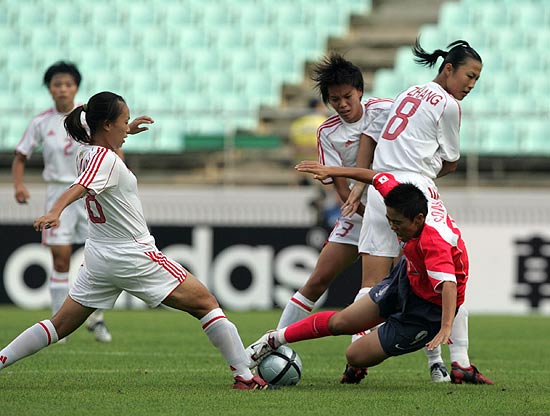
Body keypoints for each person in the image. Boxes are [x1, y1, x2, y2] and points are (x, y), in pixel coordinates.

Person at [0, 91, 269, 390]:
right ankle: (244, 376)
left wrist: (127, 131)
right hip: (133, 254)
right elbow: (80, 186)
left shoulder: (85, 152)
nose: (127, 128)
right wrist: (54, 211)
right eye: (124, 122)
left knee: (59, 325)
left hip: (100, 258)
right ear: (106, 125)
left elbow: (95, 166)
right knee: (207, 304)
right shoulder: (106, 161)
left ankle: (1, 359)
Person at [248, 164, 493, 385]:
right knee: (341, 322)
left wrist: (445, 327)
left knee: (355, 355)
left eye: (397, 223)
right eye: (389, 220)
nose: (392, 228)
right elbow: (376, 177)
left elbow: (448, 285)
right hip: (407, 280)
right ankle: (273, 339)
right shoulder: (402, 200)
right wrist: (333, 171)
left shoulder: (434, 242)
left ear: (419, 219)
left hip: (429, 311)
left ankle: (437, 357)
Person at [340, 39, 490, 384]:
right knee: (447, 271)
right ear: (448, 69)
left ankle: (355, 361)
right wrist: (430, 165)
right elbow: (450, 163)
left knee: (371, 282)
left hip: (382, 185)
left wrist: (362, 185)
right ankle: (459, 362)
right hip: (414, 192)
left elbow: (374, 135)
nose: (471, 84)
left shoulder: (410, 91)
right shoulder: (449, 105)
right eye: (469, 75)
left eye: (477, 79)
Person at [275, 54, 393, 384]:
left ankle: (435, 363)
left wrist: (386, 213)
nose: (341, 105)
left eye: (347, 97)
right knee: (316, 281)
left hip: (395, 216)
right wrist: (358, 208)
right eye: (334, 100)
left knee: (374, 289)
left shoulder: (387, 110)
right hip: (358, 215)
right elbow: (340, 189)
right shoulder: (328, 132)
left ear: (360, 91)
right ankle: (276, 343)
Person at [12, 61, 119, 342]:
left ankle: (96, 318)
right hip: (58, 192)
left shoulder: (88, 119)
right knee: (60, 258)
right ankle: (59, 325)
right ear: (49, 89)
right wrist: (19, 185)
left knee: (97, 255)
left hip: (90, 192)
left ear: (76, 87)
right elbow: (21, 155)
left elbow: (112, 142)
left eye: (68, 84)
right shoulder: (41, 122)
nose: (62, 89)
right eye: (57, 84)